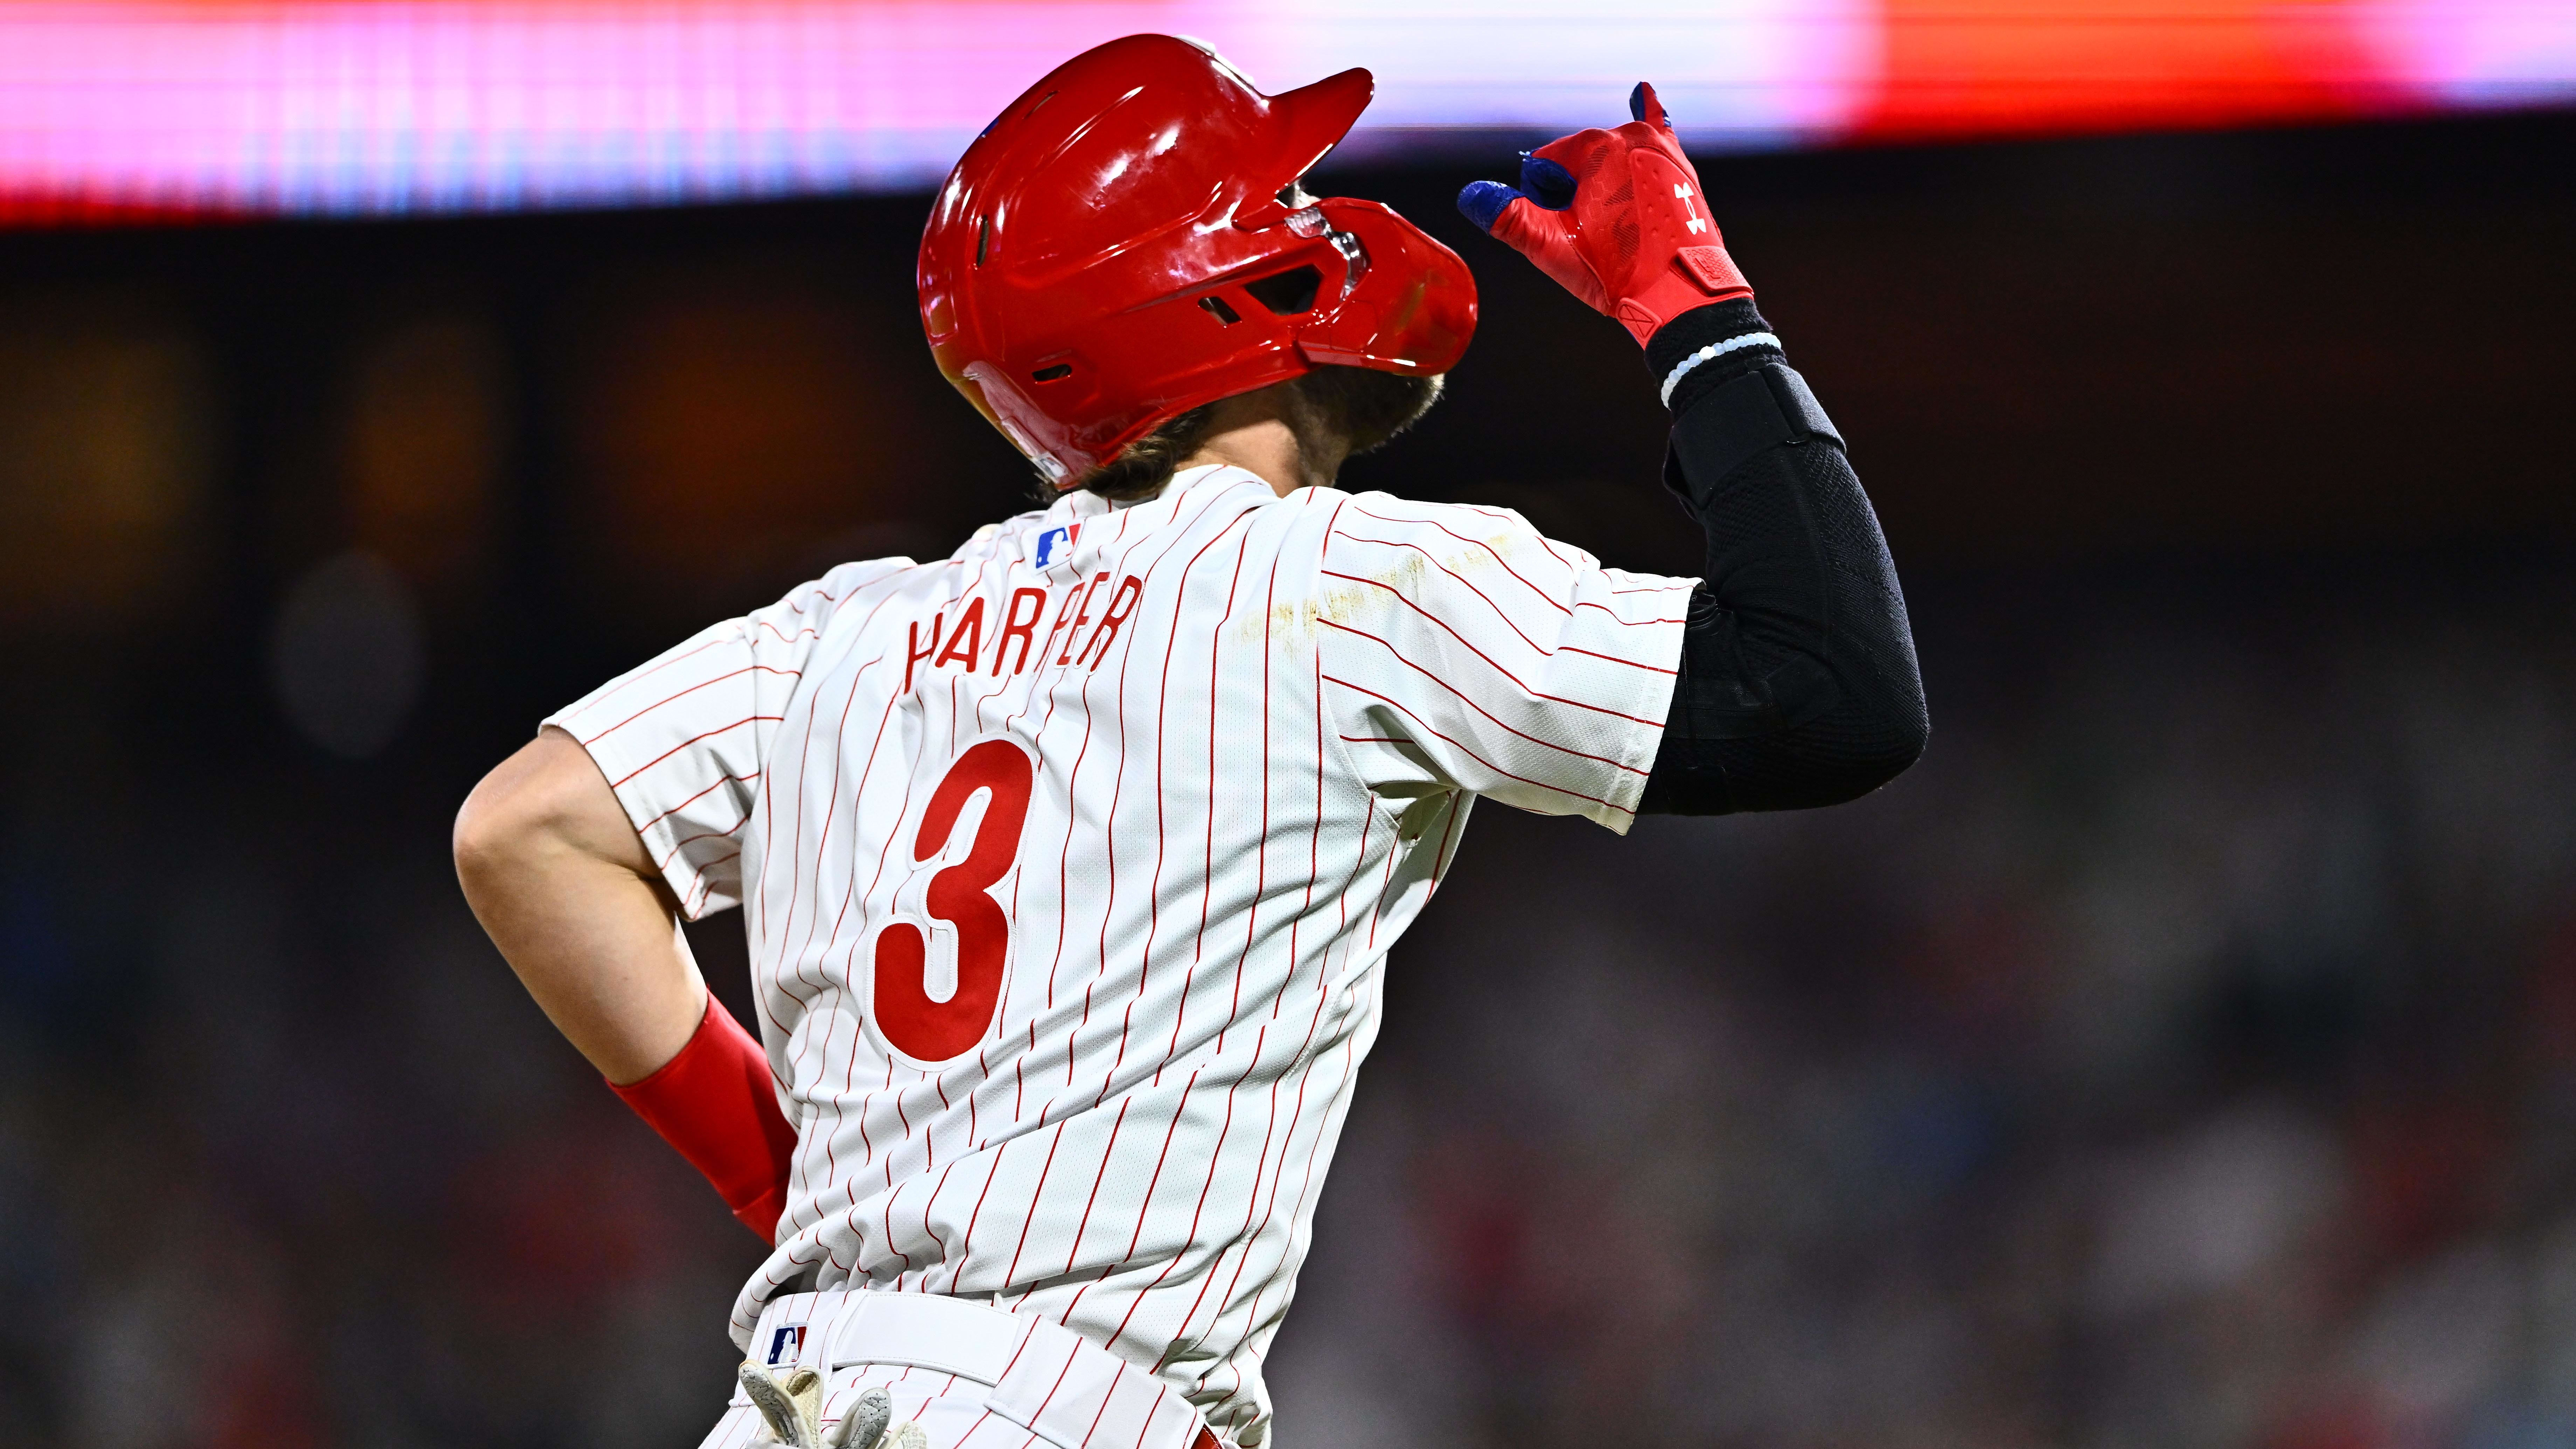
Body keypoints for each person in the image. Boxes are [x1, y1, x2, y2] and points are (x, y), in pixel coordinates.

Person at [452, 33, 1926, 1449]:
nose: (1322, 225)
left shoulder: (840, 631)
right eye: (1279, 204)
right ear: (1214, 285)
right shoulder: (1341, 582)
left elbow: (525, 831)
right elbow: (1829, 690)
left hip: (796, 1398)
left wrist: (767, 1169)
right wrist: (1701, 313)